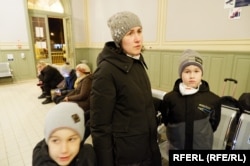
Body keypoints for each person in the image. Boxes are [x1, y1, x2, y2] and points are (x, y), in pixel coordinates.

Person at [90, 11, 162, 166]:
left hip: (147, 149)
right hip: (127, 157)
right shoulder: (106, 72)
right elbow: (100, 127)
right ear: (119, 39)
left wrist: (165, 103)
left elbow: (133, 100)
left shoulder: (136, 62)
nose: (137, 38)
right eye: (130, 33)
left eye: (139, 31)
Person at [159, 49, 221, 150]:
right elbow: (166, 120)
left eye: (196, 71)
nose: (192, 76)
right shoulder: (170, 98)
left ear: (202, 73)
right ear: (181, 74)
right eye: (187, 71)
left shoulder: (213, 99)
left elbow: (213, 125)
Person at [32, 102, 97, 166]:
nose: (64, 150)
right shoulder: (39, 161)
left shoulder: (88, 156)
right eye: (55, 140)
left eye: (71, 139)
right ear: (47, 142)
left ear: (80, 139)